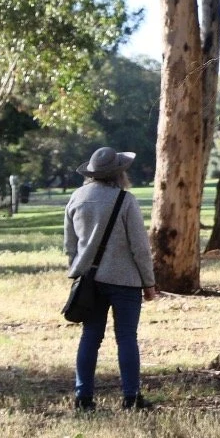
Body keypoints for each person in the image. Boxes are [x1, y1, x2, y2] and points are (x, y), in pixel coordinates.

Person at [64, 147, 158, 411]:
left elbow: (70, 246)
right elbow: (140, 247)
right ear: (119, 174)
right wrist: (149, 283)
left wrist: (78, 271)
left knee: (90, 336)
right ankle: (131, 397)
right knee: (126, 337)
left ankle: (83, 397)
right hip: (125, 280)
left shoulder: (76, 198)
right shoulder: (124, 200)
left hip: (90, 281)